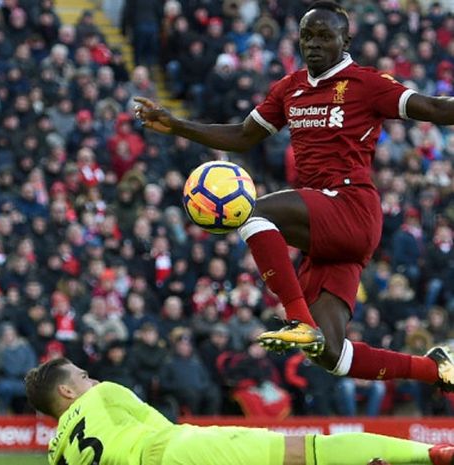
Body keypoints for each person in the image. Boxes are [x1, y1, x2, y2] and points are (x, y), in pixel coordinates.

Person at [133, 0, 454, 390]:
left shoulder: (366, 84)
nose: (313, 44)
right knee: (330, 355)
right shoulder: (290, 89)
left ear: (345, 39)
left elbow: (434, 108)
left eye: (324, 36)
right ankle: (434, 369)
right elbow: (243, 136)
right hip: (325, 232)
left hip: (350, 207)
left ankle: (298, 318)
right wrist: (177, 125)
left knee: (250, 213)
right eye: (307, 36)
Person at [25, 358, 454, 465]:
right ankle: (429, 455)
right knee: (305, 452)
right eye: (83, 376)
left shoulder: (56, 453)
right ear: (67, 390)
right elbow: (160, 427)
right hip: (176, 452)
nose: (92, 380)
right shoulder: (102, 396)